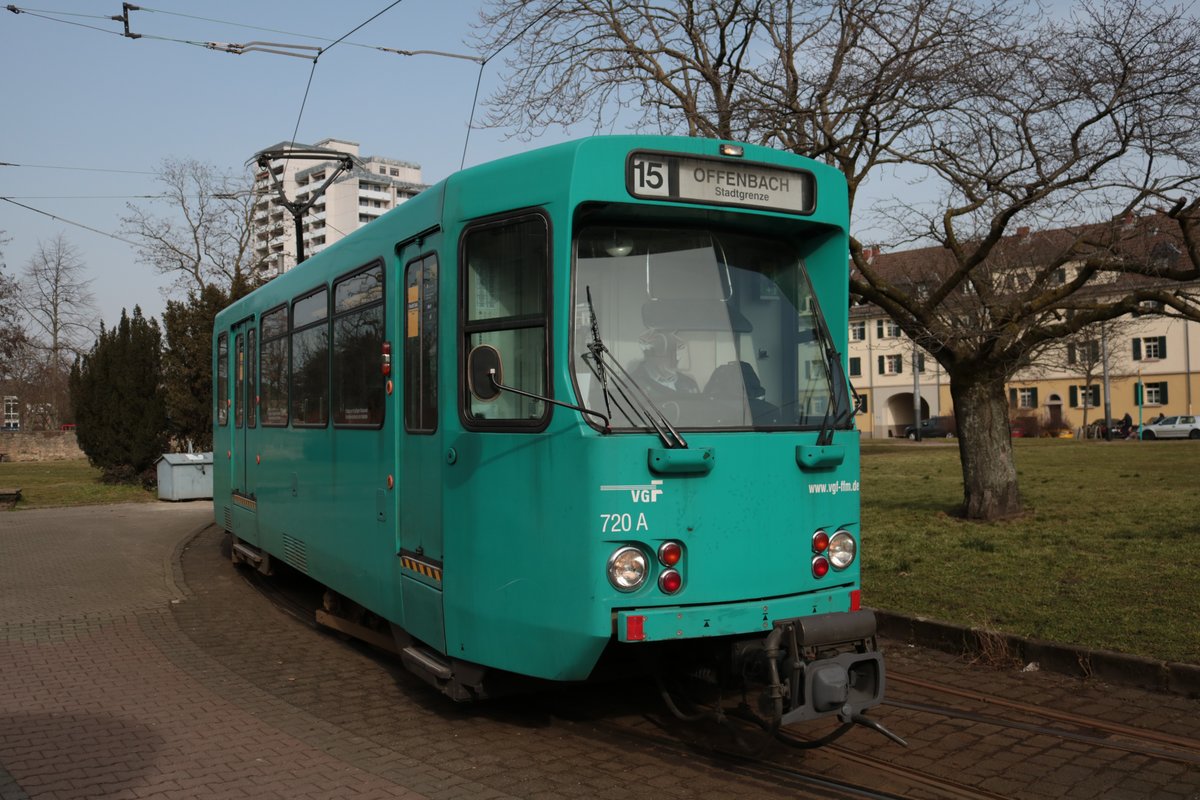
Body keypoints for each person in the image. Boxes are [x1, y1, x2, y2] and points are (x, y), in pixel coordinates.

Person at [630, 331, 699, 397]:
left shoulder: (689, 384)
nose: (676, 359)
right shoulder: (633, 385)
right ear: (650, 355)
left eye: (676, 354)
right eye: (669, 354)